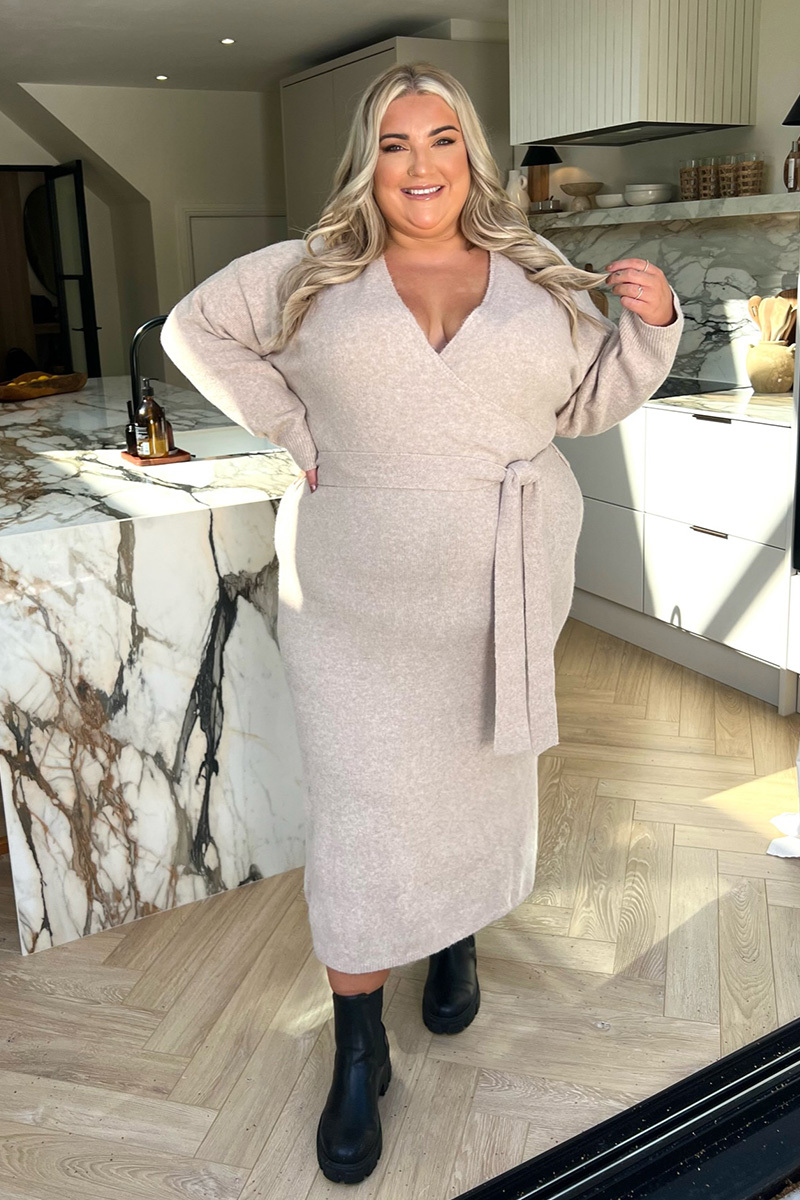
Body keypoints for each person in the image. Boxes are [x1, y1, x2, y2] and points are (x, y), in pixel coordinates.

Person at [160, 61, 684, 1185]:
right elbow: (196, 329)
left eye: (440, 139)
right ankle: (358, 1049)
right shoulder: (310, 271)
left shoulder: (537, 279)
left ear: (469, 154)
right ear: (369, 161)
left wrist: (652, 328)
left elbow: (585, 404)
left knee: (474, 781)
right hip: (353, 602)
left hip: (501, 585)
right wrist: (294, 429)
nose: (419, 165)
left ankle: (455, 936)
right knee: (362, 814)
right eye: (395, 144)